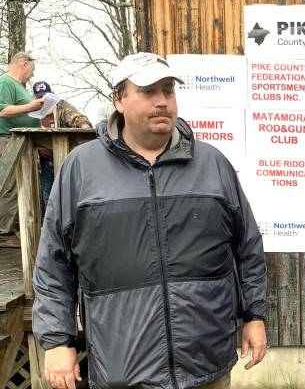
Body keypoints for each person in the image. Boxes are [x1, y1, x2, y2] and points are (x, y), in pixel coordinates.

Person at [32, 52, 268, 389]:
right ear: (119, 98)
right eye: (148, 92)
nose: (162, 102)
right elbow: (54, 264)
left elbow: (247, 247)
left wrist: (255, 315)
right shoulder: (81, 169)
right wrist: (57, 341)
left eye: (168, 91)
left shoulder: (212, 165)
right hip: (123, 369)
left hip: (206, 368)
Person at [0, 52, 43, 237]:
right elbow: (2, 110)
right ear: (24, 64)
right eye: (31, 70)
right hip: (8, 140)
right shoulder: (6, 82)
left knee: (21, 186)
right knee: (9, 186)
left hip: (21, 141)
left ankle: (16, 229)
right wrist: (31, 107)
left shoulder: (19, 86)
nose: (32, 75)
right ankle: (4, 233)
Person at [32, 81, 92, 209]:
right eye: (39, 98)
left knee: (68, 194)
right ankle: (51, 226)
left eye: (46, 97)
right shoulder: (31, 109)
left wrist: (84, 126)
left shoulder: (61, 105)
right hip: (43, 162)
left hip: (64, 158)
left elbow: (76, 117)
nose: (43, 100)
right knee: (48, 196)